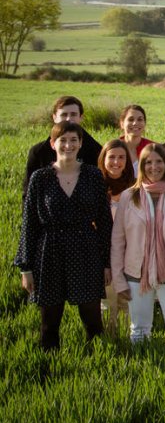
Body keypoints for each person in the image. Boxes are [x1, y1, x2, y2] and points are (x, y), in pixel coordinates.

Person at [15, 121, 112, 350]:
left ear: (80, 144)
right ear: (52, 143)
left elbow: (105, 222)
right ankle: (50, 362)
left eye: (73, 140)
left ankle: (98, 361)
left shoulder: (93, 175)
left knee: (93, 320)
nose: (68, 145)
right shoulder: (40, 178)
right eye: (63, 140)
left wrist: (107, 262)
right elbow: (29, 223)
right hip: (50, 253)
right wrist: (26, 267)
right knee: (49, 323)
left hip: (86, 251)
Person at [111, 144, 165, 350]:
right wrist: (119, 279)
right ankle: (143, 369)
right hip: (136, 272)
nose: (154, 166)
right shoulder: (128, 196)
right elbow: (118, 240)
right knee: (139, 328)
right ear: (141, 166)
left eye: (159, 161)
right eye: (148, 162)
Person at [24, 96, 103, 198]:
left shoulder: (96, 150)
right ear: (54, 117)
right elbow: (28, 194)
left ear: (81, 117)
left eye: (73, 114)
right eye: (64, 114)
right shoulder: (38, 152)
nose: (69, 119)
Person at [97, 139, 135, 331]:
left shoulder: (135, 188)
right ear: (103, 159)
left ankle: (131, 342)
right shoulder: (95, 187)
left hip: (131, 253)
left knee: (128, 300)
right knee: (108, 301)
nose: (116, 162)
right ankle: (110, 342)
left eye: (121, 158)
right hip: (103, 253)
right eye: (111, 157)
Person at [118, 105, 154, 175]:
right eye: (131, 119)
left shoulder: (152, 148)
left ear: (144, 123)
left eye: (140, 119)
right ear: (122, 124)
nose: (135, 123)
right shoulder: (113, 148)